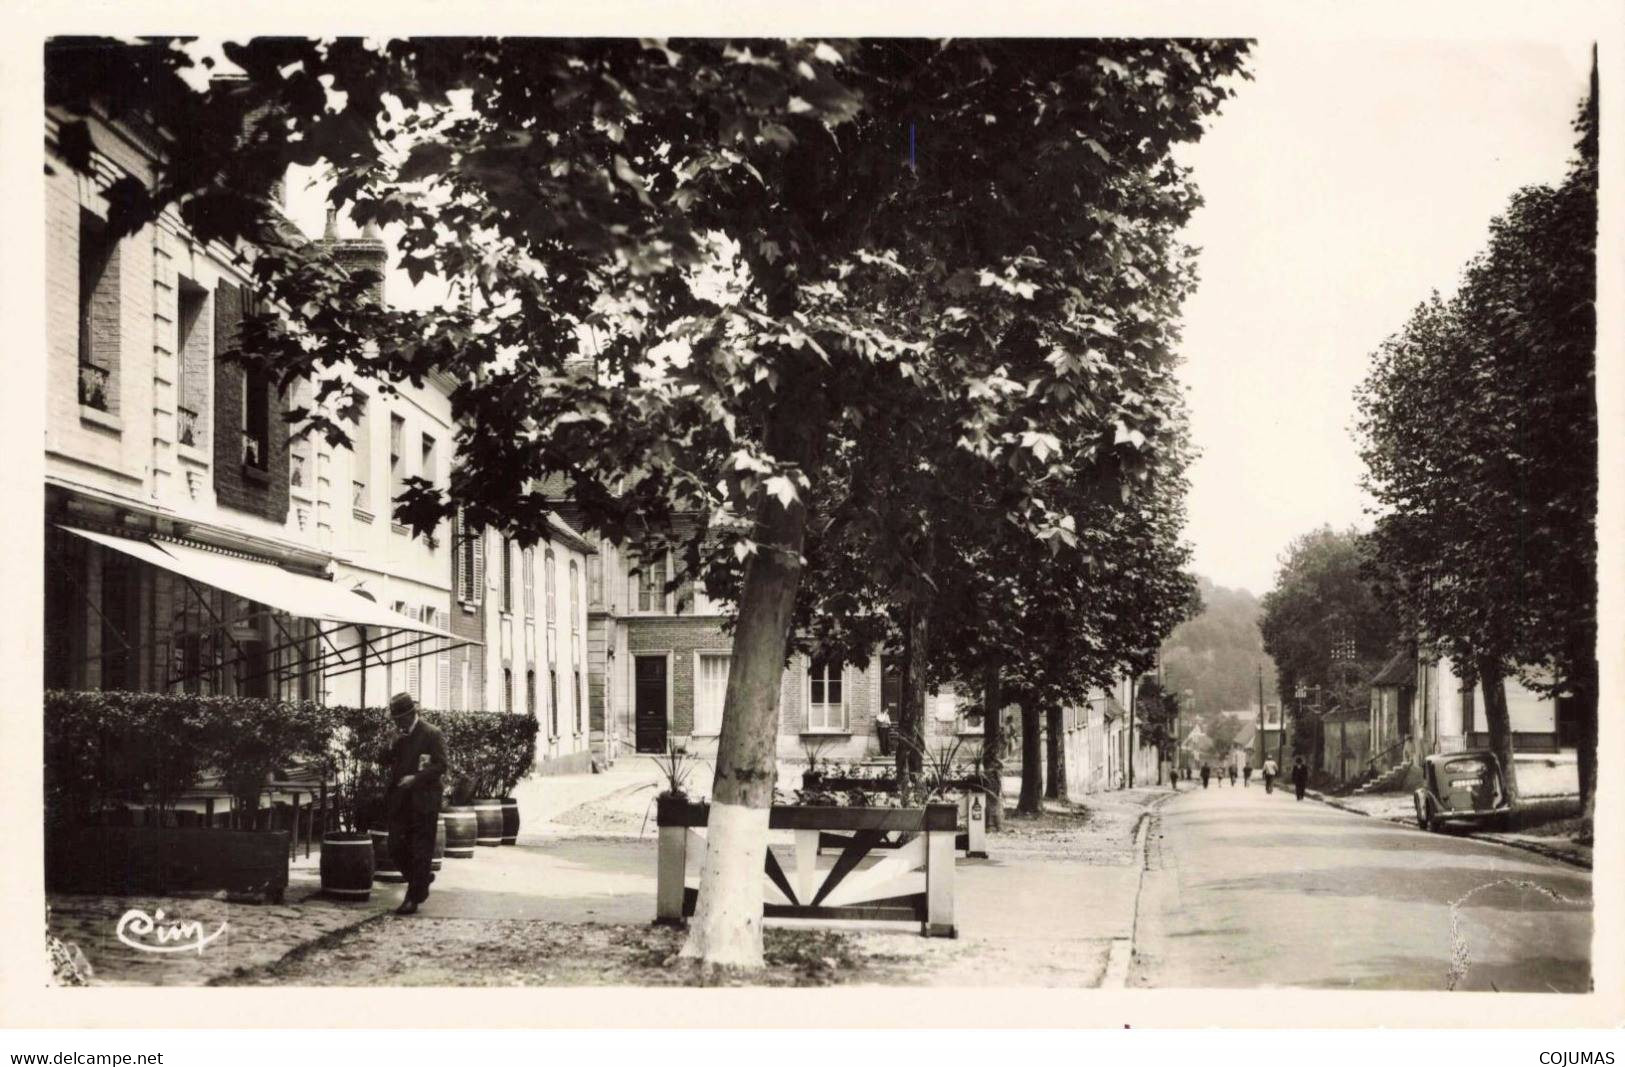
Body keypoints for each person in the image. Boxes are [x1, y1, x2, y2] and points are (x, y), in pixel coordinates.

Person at [385, 692, 448, 915]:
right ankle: (421, 880)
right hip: (402, 803)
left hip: (425, 802)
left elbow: (441, 766)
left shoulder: (432, 734)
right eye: (395, 719)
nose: (398, 722)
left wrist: (415, 779)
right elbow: (386, 761)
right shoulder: (400, 737)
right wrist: (391, 744)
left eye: (400, 718)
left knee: (421, 851)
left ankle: (412, 899)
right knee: (394, 847)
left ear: (411, 714)